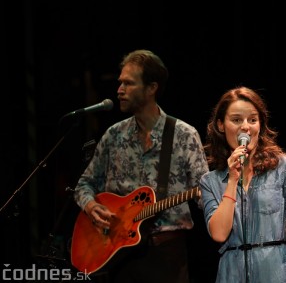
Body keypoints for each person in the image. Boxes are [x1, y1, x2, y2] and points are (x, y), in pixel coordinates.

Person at [73, 49, 209, 283]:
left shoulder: (183, 135)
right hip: (118, 257)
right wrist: (91, 207)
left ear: (152, 88)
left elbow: (205, 195)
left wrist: (227, 192)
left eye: (128, 83)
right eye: (120, 83)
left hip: (167, 257)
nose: (119, 90)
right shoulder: (113, 136)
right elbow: (84, 184)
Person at [199, 86, 286, 283]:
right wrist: (232, 180)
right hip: (232, 274)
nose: (245, 127)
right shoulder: (209, 181)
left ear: (260, 125)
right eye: (236, 120)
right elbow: (219, 234)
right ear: (221, 124)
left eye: (252, 120)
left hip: (276, 272)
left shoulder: (284, 167)